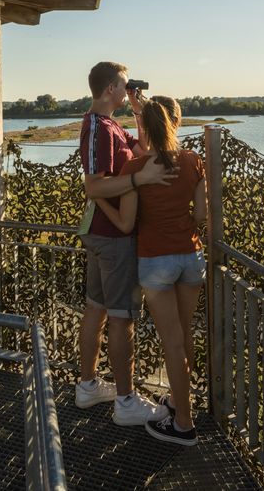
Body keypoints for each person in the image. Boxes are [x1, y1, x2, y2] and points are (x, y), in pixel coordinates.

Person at [94, 95, 206, 446]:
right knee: (184, 336)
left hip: (156, 260)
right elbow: (202, 216)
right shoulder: (194, 161)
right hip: (191, 256)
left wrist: (100, 202)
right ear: (176, 122)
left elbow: (126, 224)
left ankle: (183, 424)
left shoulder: (135, 169)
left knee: (172, 342)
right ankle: (177, 401)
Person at [75, 61, 175, 426]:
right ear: (108, 91)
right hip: (113, 236)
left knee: (97, 308)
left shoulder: (111, 126)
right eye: (123, 85)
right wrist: (139, 181)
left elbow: (143, 150)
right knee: (121, 318)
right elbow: (94, 186)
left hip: (105, 232)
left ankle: (88, 386)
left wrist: (137, 109)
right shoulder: (97, 128)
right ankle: (126, 401)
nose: (127, 88)